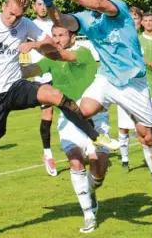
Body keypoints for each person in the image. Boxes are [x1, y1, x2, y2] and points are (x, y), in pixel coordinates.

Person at [0, 0, 118, 234]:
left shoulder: (25, 24)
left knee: (54, 95)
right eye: (11, 14)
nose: (13, 20)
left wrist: (36, 43)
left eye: (18, 16)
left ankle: (95, 135)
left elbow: (49, 45)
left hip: (15, 87)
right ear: (3, 5)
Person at [37, 0, 152, 219]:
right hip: (107, 79)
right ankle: (88, 146)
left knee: (147, 138)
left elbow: (98, 4)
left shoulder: (117, 8)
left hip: (134, 83)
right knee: (78, 110)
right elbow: (63, 21)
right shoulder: (86, 18)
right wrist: (50, 4)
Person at [23, 25, 110, 233]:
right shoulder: (50, 60)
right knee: (74, 159)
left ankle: (90, 189)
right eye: (53, 35)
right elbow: (30, 70)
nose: (57, 39)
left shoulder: (83, 52)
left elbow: (62, 55)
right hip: (69, 117)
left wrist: (35, 44)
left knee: (99, 169)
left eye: (61, 35)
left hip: (94, 114)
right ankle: (88, 215)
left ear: (72, 36)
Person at [117, 7, 152, 171]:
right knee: (123, 128)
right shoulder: (119, 42)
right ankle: (125, 162)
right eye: (129, 19)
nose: (133, 22)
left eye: (136, 19)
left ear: (141, 21)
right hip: (124, 91)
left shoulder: (149, 42)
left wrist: (146, 63)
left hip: (148, 90)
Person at [32, 0, 56, 176]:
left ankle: (83, 145)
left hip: (62, 73)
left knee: (74, 108)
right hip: (43, 75)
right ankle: (47, 153)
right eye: (39, 4)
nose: (42, 8)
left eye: (44, 4)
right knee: (47, 114)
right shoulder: (29, 26)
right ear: (34, 8)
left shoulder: (57, 22)